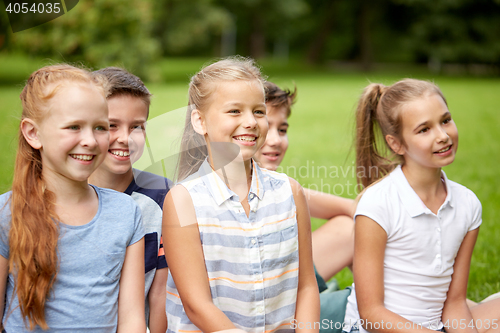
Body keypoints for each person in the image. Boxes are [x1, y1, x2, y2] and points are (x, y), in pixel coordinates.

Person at [163, 57, 320, 333]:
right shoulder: (183, 201)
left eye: (259, 112)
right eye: (235, 111)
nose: (250, 122)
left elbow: (306, 286)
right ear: (200, 121)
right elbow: (197, 306)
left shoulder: (290, 192)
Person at [342, 79, 500, 333]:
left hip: (436, 326)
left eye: (445, 120)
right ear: (396, 144)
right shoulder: (378, 204)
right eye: (424, 129)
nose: (443, 135)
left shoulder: (468, 204)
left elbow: (455, 303)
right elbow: (371, 315)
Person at [0, 65, 145, 332]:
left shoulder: (126, 212)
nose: (90, 140)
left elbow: (132, 318)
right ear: (33, 133)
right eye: (74, 127)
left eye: (101, 127)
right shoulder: (6, 214)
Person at [89, 67, 170, 333]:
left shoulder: (165, 198)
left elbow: (161, 296)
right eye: (112, 125)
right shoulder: (59, 197)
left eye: (137, 127)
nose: (125, 138)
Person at [254, 82, 355, 284]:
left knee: (352, 226)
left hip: (282, 280)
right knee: (350, 229)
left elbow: (354, 208)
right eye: (264, 127)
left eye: (282, 130)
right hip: (264, 292)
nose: (275, 140)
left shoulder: (281, 187)